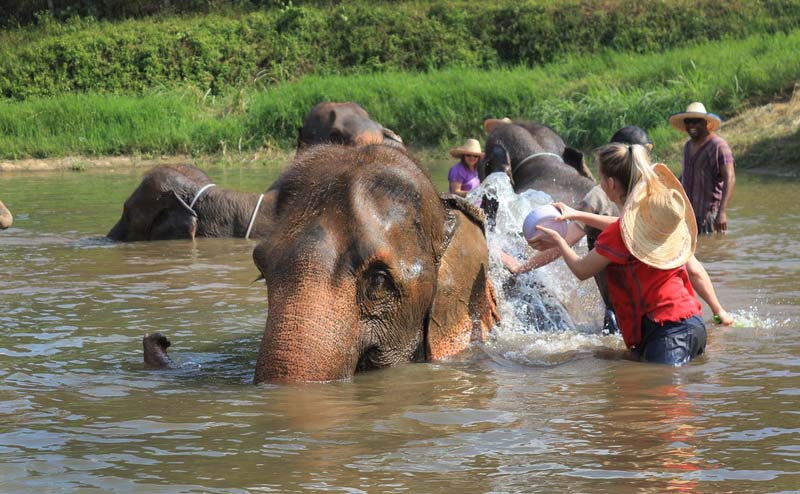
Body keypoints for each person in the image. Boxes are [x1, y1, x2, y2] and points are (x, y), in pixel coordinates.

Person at [536, 143, 732, 365]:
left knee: (652, 399)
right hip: (693, 325)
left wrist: (559, 241)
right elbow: (622, 225)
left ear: (610, 184)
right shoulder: (661, 224)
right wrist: (578, 215)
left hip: (666, 334)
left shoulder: (617, 235)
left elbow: (581, 270)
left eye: (601, 179)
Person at [500, 125, 653, 334]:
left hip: (622, 306)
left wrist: (522, 267)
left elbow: (570, 243)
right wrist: (715, 309)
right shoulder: (655, 197)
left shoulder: (599, 196)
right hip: (660, 301)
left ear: (610, 180)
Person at [669, 102, 736, 234]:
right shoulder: (688, 146)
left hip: (709, 216)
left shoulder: (718, 146)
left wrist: (722, 212)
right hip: (689, 215)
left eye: (696, 121)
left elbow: (730, 178)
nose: (691, 126)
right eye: (688, 121)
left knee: (711, 250)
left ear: (705, 123)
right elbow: (687, 176)